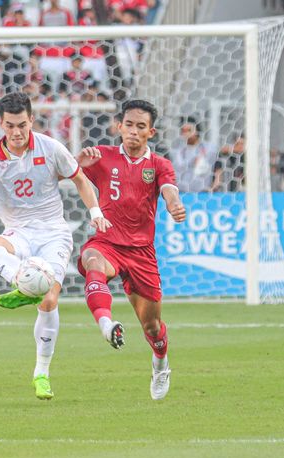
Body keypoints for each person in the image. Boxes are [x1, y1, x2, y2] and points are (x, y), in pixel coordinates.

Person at [0, 92, 111, 400]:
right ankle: (22, 283)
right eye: (10, 125)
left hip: (53, 232)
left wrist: (96, 213)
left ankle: (41, 372)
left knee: (50, 300)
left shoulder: (51, 148)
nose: (17, 132)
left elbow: (80, 180)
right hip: (18, 231)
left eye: (22, 125)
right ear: (0, 123)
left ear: (32, 121)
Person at [75, 99, 186, 400]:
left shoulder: (159, 165)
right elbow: (70, 173)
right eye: (129, 125)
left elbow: (169, 189)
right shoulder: (103, 157)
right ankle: (106, 325)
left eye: (141, 127)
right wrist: (78, 163)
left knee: (152, 327)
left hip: (141, 253)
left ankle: (161, 364)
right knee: (91, 259)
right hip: (108, 242)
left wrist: (174, 204)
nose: (133, 131)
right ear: (119, 126)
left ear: (151, 132)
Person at [170, 118, 219, 192]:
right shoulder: (177, 151)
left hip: (203, 193)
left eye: (189, 130)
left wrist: (214, 187)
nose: (186, 134)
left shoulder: (210, 148)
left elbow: (218, 167)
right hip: (182, 193)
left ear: (197, 131)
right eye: (183, 131)